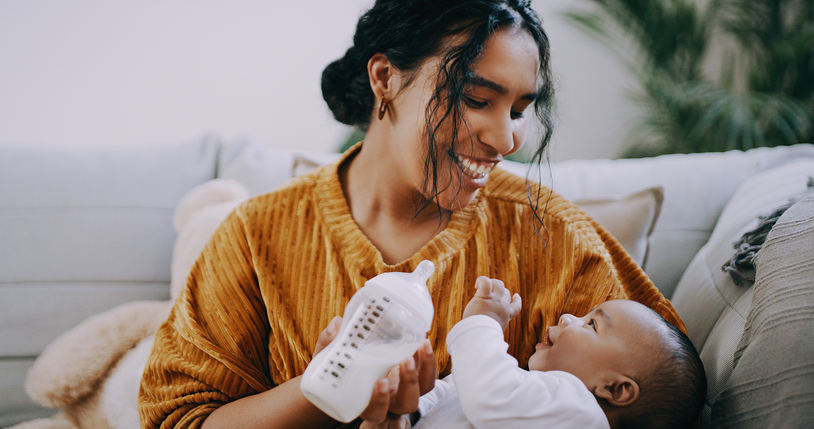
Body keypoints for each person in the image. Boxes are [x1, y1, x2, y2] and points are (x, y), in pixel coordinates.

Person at [138, 1, 686, 428]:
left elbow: (666, 395)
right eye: (476, 98)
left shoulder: (554, 237)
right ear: (385, 79)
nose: (505, 139)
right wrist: (325, 391)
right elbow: (180, 418)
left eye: (520, 110)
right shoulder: (257, 237)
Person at [378, 277, 705, 429]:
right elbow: (458, 392)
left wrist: (484, 322)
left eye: (591, 324)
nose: (568, 317)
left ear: (614, 389)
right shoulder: (529, 389)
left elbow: (488, 393)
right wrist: (412, 409)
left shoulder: (580, 414)